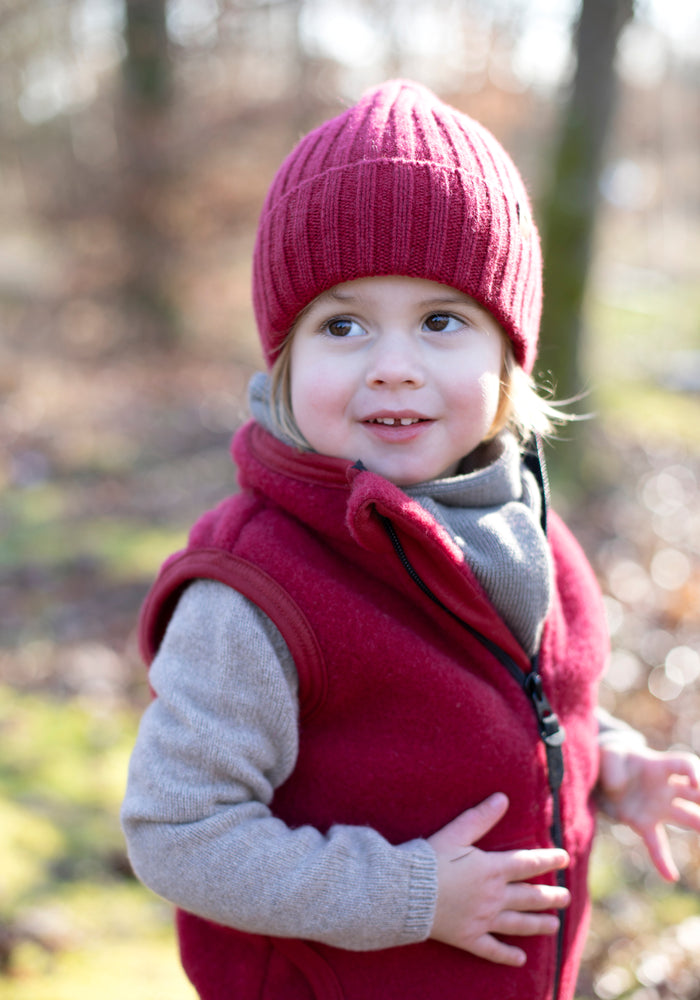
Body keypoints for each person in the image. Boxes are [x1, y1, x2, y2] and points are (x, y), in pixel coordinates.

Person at [121, 80, 700, 1000]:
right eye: (342, 324)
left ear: (508, 356)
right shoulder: (257, 590)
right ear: (285, 358)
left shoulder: (530, 535)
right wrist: (410, 894)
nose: (393, 366)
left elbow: (531, 707)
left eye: (441, 321)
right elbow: (179, 831)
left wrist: (609, 763)